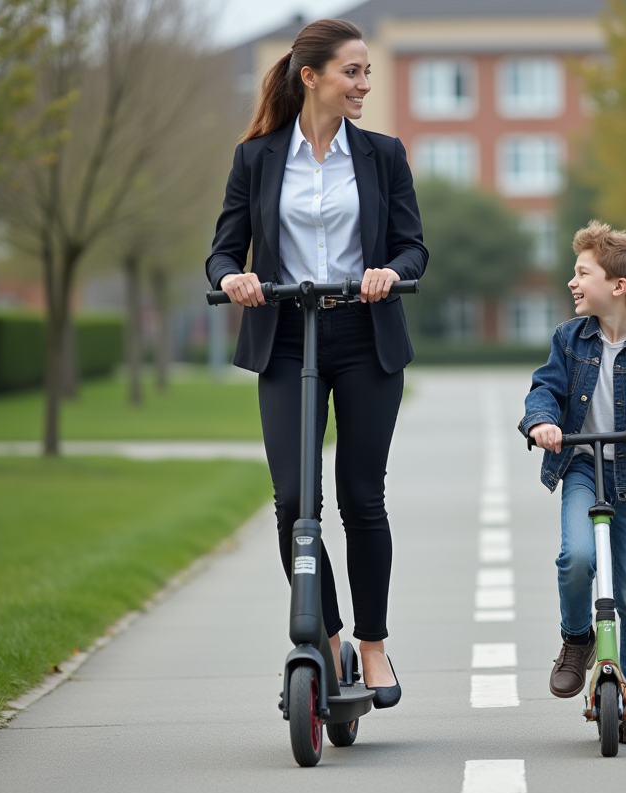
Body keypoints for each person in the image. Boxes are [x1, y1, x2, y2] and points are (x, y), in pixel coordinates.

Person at [205, 18, 427, 709]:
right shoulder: (259, 159)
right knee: (294, 503)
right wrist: (235, 279)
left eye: (367, 73)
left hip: (365, 339)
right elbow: (221, 250)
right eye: (353, 72)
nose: (365, 84)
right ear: (312, 77)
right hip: (286, 338)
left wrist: (390, 271)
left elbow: (414, 246)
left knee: (362, 498)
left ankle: (372, 644)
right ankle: (325, 637)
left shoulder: (384, 155)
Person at [519, 221, 626, 743]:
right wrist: (542, 421)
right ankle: (577, 639)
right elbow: (544, 389)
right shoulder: (568, 339)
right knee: (576, 560)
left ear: (618, 285)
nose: (573, 281)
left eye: (582, 272)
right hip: (582, 468)